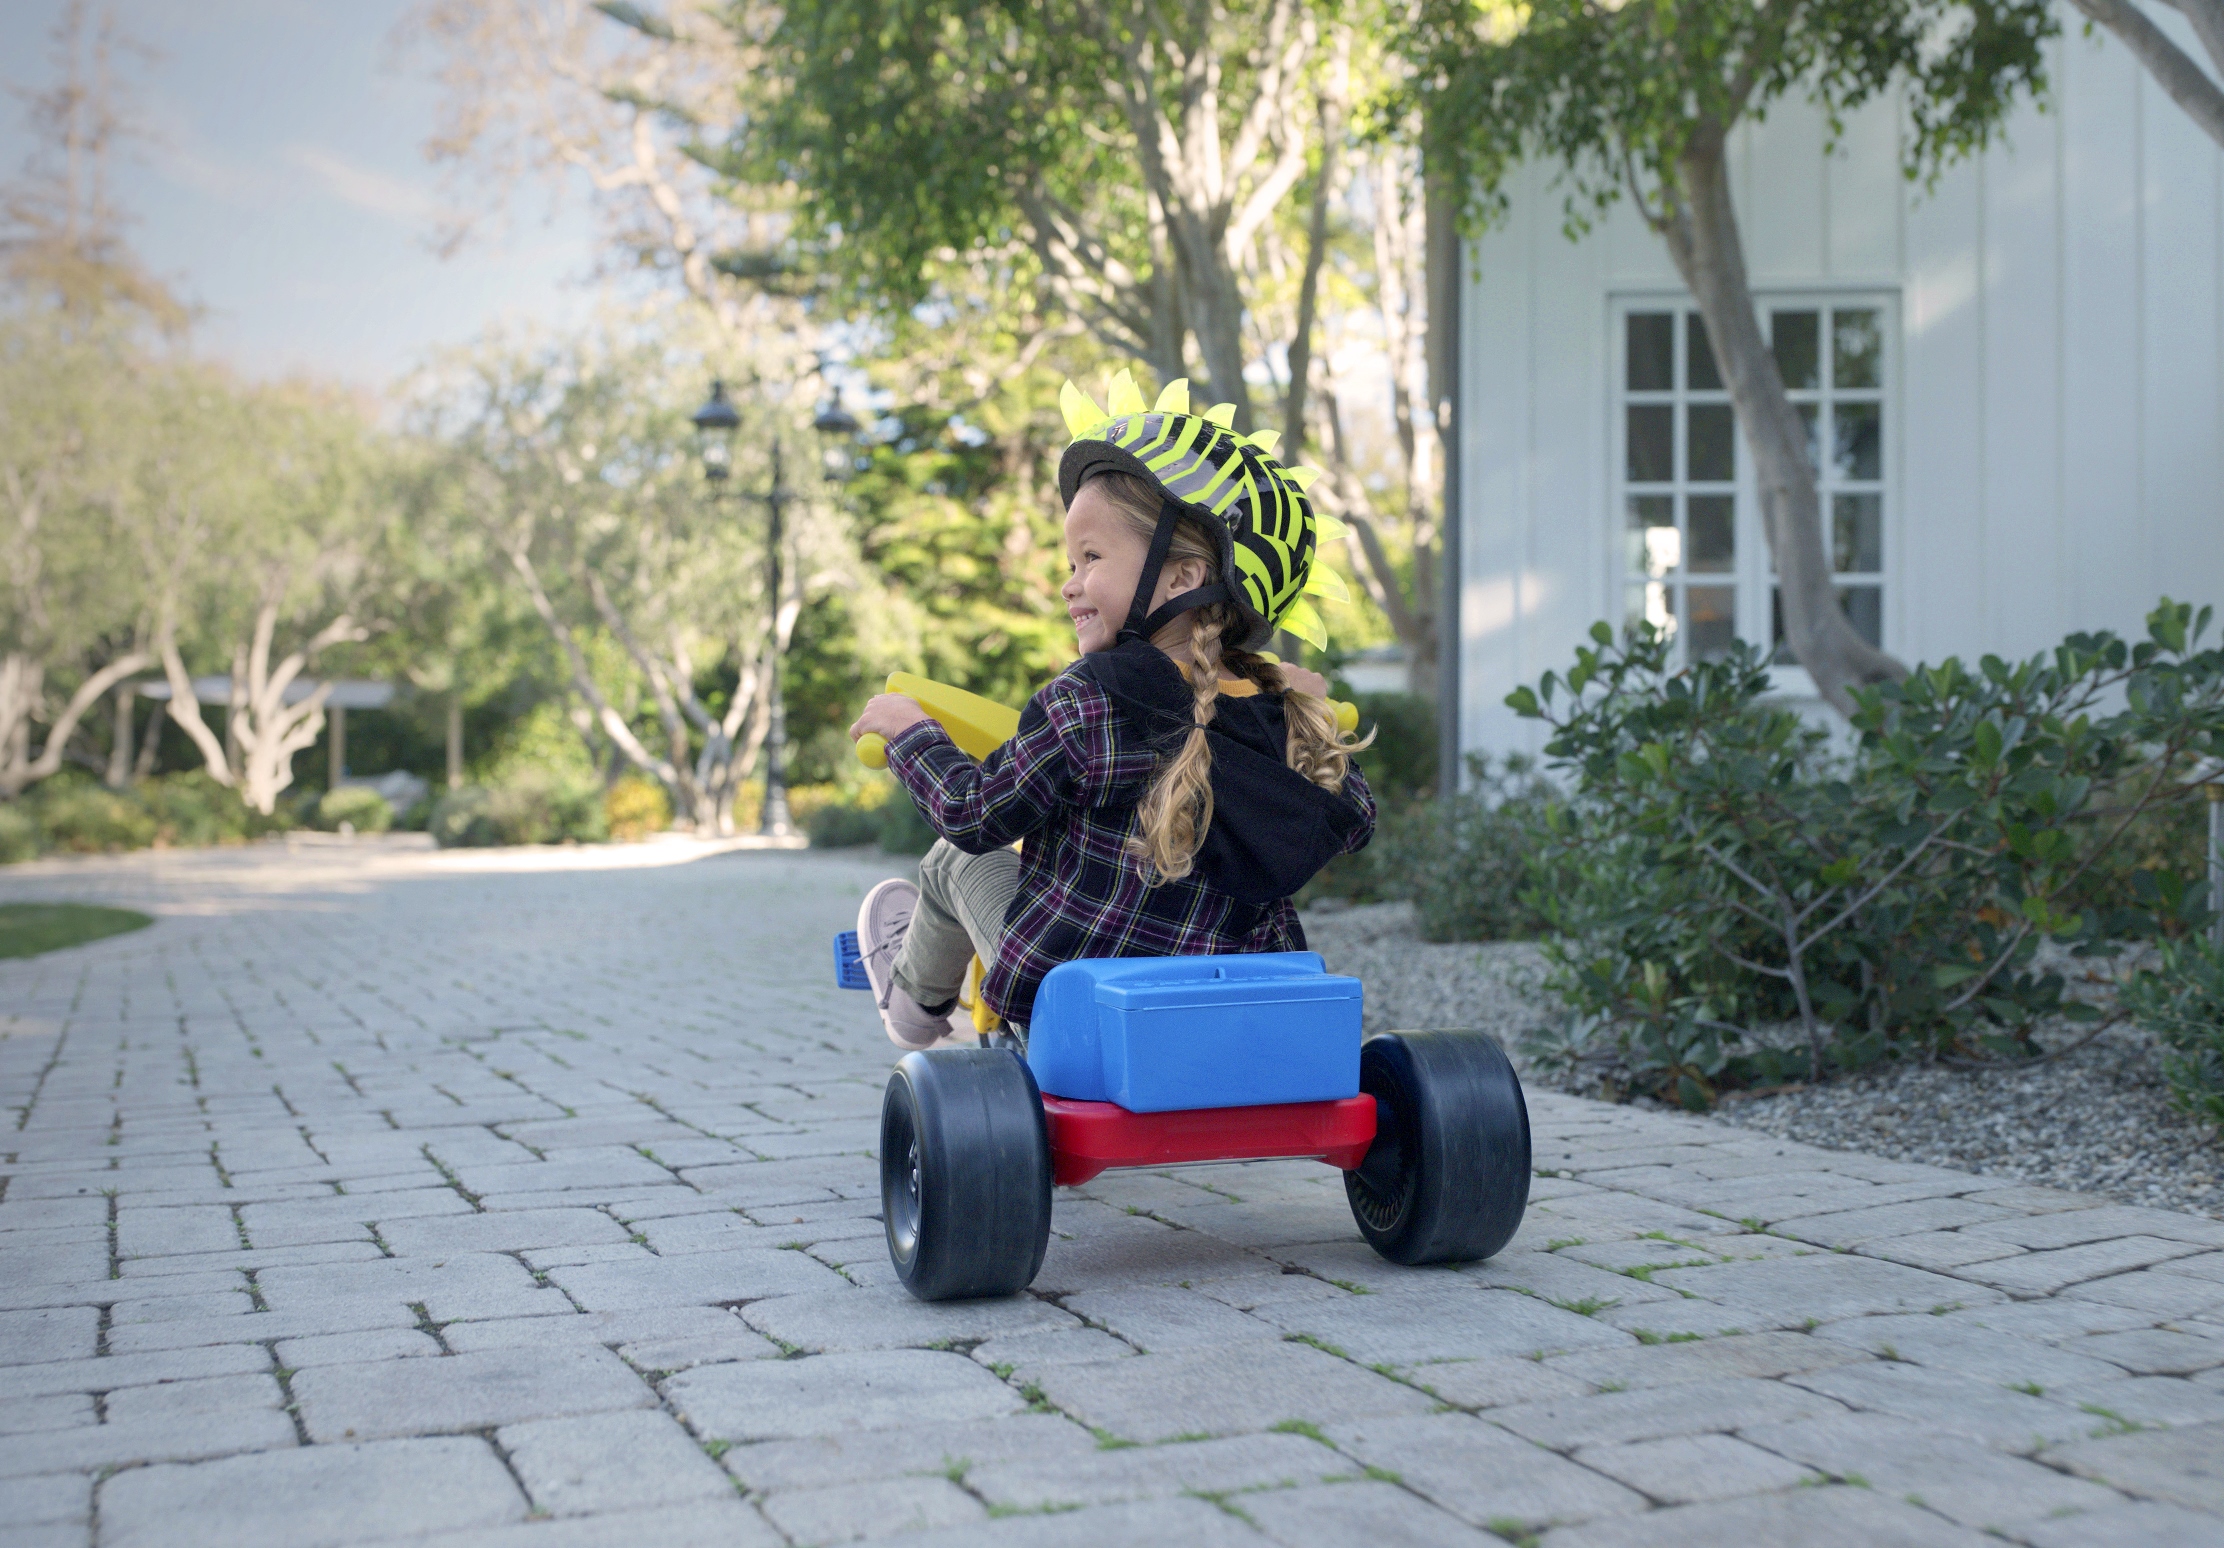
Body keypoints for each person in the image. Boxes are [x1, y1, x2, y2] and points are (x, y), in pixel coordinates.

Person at [847, 372, 1376, 1048]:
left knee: (953, 858)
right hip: (1229, 1023)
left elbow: (974, 812)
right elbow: (1354, 820)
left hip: (1079, 1015)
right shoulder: (1281, 710)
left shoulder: (1090, 699)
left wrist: (911, 733)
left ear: (1183, 576)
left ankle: (915, 1005)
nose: (1070, 584)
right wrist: (1308, 707)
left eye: (1090, 557)